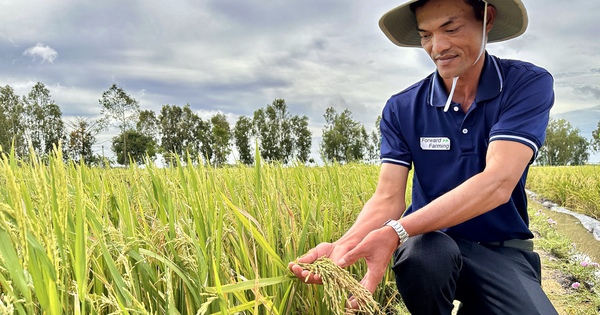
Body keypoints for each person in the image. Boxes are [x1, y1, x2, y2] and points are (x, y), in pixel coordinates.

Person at [289, 0, 559, 314]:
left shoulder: (525, 84)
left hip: (502, 250)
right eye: (426, 35)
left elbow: (498, 182)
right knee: (421, 257)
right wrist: (344, 245)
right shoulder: (402, 108)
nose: (438, 47)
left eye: (451, 28)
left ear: (487, 19)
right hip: (430, 245)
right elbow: (388, 197)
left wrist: (395, 230)